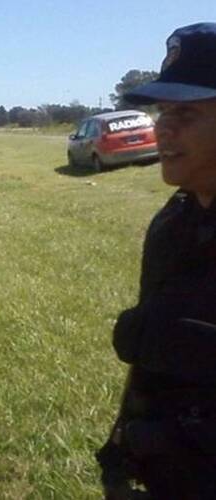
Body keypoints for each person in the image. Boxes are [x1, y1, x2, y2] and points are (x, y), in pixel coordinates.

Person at [95, 22, 216, 499]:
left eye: (185, 113)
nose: (162, 126)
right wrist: (120, 446)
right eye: (163, 110)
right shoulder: (174, 222)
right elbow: (148, 371)